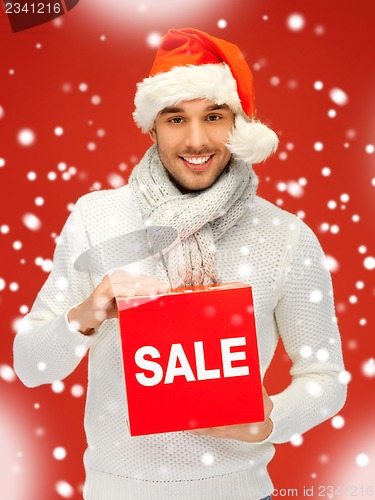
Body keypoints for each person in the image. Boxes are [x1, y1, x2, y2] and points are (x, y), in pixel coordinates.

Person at [13, 28, 346, 500]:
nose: (196, 139)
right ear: (152, 127)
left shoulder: (285, 236)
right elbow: (31, 366)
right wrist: (85, 316)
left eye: (213, 116)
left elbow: (326, 377)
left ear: (239, 123)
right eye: (175, 119)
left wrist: (271, 419)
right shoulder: (97, 218)